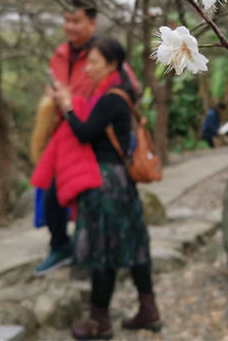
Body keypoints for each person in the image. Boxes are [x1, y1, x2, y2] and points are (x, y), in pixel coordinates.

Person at [50, 37, 160, 340]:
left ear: (112, 64)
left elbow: (85, 133)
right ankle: (148, 309)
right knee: (134, 244)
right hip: (122, 183)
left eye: (94, 62)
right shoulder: (120, 93)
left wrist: (67, 106)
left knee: (102, 250)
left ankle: (99, 322)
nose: (88, 68)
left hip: (104, 183)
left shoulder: (110, 98)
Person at [33, 0, 99, 275]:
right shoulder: (60, 53)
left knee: (82, 193)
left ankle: (86, 249)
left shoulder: (101, 53)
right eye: (66, 20)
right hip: (62, 134)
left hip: (89, 132)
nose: (69, 26)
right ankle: (60, 245)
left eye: (76, 20)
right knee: (50, 191)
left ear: (92, 23)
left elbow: (113, 87)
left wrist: (71, 100)